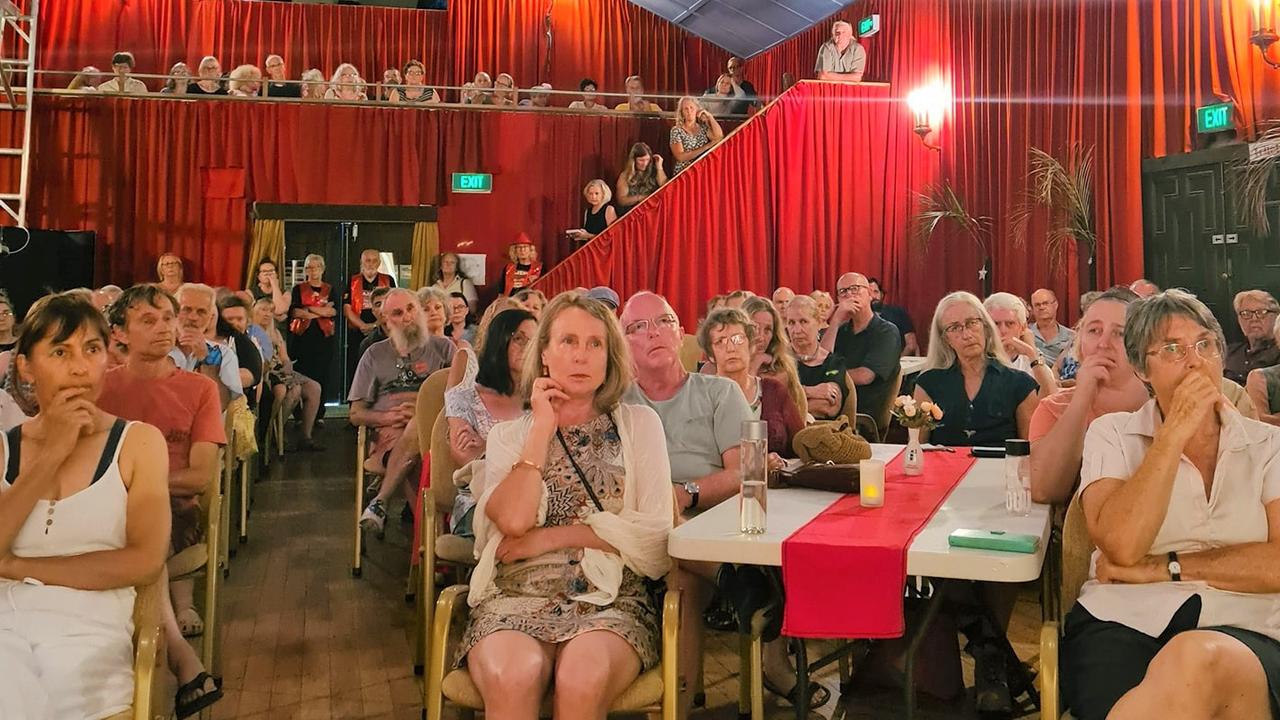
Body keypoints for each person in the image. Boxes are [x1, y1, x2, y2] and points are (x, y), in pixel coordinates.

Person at [1062, 289, 1280, 720]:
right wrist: (1173, 434)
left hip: (1252, 625)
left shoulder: (1269, 446)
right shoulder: (1113, 435)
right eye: (1173, 349)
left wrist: (1164, 567)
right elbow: (1122, 547)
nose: (1195, 361)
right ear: (1143, 369)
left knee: (1198, 656)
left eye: (1205, 345)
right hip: (1123, 622)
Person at [460, 291, 673, 720]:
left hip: (611, 598)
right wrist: (541, 430)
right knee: (514, 673)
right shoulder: (510, 436)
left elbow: (655, 538)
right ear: (544, 356)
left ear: (610, 358)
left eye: (595, 344)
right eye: (568, 342)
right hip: (516, 595)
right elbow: (514, 521)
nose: (581, 356)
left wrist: (551, 537)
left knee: (581, 676)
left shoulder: (640, 425)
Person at [0, 292, 172, 720]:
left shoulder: (139, 442)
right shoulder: (4, 449)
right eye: (60, 352)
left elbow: (144, 562)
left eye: (92, 350)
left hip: (90, 629)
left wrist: (18, 568)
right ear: (25, 364)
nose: (80, 368)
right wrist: (53, 451)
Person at [620, 291, 755, 707]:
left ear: (681, 333)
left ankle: (679, 705)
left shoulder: (721, 393)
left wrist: (686, 493)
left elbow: (746, 472)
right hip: (640, 520)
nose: (653, 332)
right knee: (674, 555)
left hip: (709, 518)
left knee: (680, 576)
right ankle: (735, 584)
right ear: (624, 345)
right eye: (638, 327)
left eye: (663, 321)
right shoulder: (616, 402)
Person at [98, 284, 226, 717]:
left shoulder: (199, 390)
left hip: (173, 509)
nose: (165, 328)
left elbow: (199, 476)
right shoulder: (99, 387)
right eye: (148, 321)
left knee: (139, 528)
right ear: (119, 333)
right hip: (103, 509)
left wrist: (137, 482)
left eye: (168, 319)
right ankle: (178, 658)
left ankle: (158, 666)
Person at [1030, 286, 1148, 505]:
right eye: (1094, 331)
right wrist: (1082, 398)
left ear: (1142, 346)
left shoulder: (1164, 405)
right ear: (1080, 343)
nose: (1103, 344)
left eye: (1120, 333)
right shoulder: (1054, 407)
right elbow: (1043, 490)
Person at [353, 289, 455, 535]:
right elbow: (355, 414)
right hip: (389, 440)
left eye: (411, 308)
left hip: (438, 435)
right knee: (416, 453)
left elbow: (463, 397)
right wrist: (387, 417)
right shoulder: (374, 355)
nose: (408, 316)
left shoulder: (444, 349)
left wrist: (425, 412)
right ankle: (431, 546)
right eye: (398, 313)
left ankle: (381, 502)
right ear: (386, 322)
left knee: (418, 429)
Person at [442, 307, 536, 536]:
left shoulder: (544, 399)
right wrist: (525, 456)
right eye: (518, 339)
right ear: (498, 342)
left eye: (534, 341)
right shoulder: (464, 397)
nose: (528, 348)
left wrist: (487, 447)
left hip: (534, 501)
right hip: (478, 504)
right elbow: (465, 458)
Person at [914, 291, 1038, 446]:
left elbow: (1029, 452)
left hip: (1000, 469)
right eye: (954, 328)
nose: (966, 335)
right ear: (946, 339)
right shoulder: (928, 383)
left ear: (985, 327)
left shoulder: (1021, 384)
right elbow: (917, 450)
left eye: (972, 323)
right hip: (945, 468)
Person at [700, 307, 802, 458]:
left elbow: (801, 444)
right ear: (711, 355)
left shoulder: (773, 390)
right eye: (720, 341)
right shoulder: (701, 396)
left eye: (738, 339)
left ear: (751, 346)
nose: (730, 348)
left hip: (776, 480)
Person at [819, 273, 902, 423]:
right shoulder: (841, 330)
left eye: (855, 289)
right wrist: (835, 321)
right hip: (832, 405)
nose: (849, 295)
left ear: (870, 294)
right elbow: (821, 362)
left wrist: (829, 377)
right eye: (843, 292)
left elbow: (865, 376)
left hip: (863, 413)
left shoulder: (886, 331)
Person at [252, 298, 322, 451]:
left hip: (281, 369)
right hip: (266, 370)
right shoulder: (251, 332)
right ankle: (274, 431)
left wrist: (287, 365)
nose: (267, 314)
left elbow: (284, 357)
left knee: (314, 388)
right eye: (263, 310)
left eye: (270, 311)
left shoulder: (275, 332)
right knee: (293, 391)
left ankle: (306, 436)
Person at [170, 284, 244, 408]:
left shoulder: (224, 354)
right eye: (186, 309)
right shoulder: (157, 350)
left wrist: (206, 361)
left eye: (201, 312)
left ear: (210, 318)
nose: (193, 317)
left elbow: (222, 405)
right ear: (173, 312)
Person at [742, 296, 808, 418]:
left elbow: (746, 413)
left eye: (767, 330)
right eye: (755, 328)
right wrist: (755, 363)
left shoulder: (778, 373)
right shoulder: (718, 367)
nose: (761, 337)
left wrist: (755, 364)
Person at [785, 295, 851, 420]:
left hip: (823, 433)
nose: (797, 330)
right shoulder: (779, 360)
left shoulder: (833, 363)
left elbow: (829, 406)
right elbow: (772, 401)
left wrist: (787, 408)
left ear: (818, 323)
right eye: (791, 323)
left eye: (803, 321)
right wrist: (810, 391)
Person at [984, 292, 1058, 396]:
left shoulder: (1031, 358)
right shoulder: (977, 358)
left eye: (1010, 324)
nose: (1003, 330)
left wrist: (1031, 352)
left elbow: (1052, 398)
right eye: (996, 324)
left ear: (1022, 328)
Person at [289, 253, 338, 401]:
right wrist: (321, 310)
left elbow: (332, 311)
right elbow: (296, 311)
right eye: (309, 267)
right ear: (305, 270)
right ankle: (299, 415)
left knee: (323, 374)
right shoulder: (298, 289)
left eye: (316, 267)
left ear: (322, 269)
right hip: (302, 338)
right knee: (301, 373)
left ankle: (319, 414)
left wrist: (308, 309)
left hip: (324, 338)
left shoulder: (330, 289)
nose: (313, 270)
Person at [344, 248, 396, 383]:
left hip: (383, 330)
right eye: (367, 260)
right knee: (356, 367)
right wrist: (363, 326)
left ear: (379, 263)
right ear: (361, 262)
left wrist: (374, 326)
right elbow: (347, 308)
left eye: (374, 261)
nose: (371, 264)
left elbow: (394, 307)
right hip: (357, 331)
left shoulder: (388, 280)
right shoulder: (352, 281)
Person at [1225, 289, 1280, 386]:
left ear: (1276, 316)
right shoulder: (1228, 352)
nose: (1254, 319)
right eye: (1246, 314)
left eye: (1261, 312)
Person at [669, 96, 724, 174]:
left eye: (692, 108)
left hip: (703, 170)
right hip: (684, 172)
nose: (689, 111)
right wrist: (707, 146)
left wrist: (709, 117)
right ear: (682, 112)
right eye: (686, 109)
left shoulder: (703, 127)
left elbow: (719, 137)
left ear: (697, 110)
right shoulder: (676, 130)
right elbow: (680, 157)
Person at [868, 277, 919, 355]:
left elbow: (911, 345)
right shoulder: (860, 318)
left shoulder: (897, 313)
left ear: (881, 294)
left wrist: (895, 363)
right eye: (869, 293)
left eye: (876, 292)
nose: (873, 296)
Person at [614, 142, 668, 214]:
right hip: (634, 213)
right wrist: (640, 198)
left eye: (647, 160)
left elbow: (665, 187)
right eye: (641, 160)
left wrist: (659, 167)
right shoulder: (625, 175)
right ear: (634, 160)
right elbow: (621, 200)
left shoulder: (655, 171)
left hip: (653, 211)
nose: (645, 163)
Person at [1030, 288, 1075, 366]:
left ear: (1055, 305)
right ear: (1033, 309)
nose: (1041, 307)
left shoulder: (1072, 337)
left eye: (1045, 303)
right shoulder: (1025, 334)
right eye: (1037, 305)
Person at [566, 179, 617, 247]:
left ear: (603, 194)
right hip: (590, 249)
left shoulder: (609, 209)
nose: (593, 197)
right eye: (590, 193)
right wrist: (580, 235)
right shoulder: (588, 211)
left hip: (604, 250)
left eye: (596, 193)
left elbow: (612, 237)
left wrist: (588, 235)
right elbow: (588, 233)